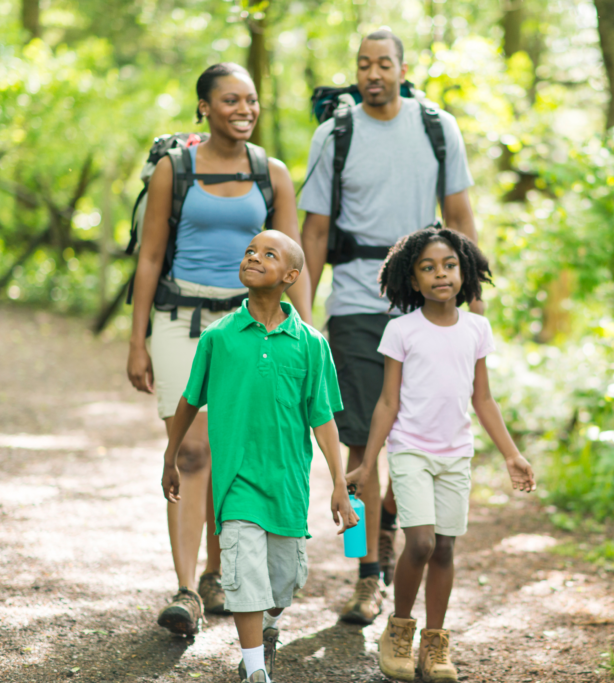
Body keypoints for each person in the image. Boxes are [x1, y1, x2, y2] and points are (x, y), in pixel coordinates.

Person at [300, 28, 482, 625]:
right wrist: (302, 315)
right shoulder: (335, 135)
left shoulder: (438, 127)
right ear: (355, 73)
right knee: (360, 441)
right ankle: (363, 572)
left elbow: (458, 218)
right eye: (363, 65)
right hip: (354, 303)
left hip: (422, 305)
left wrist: (470, 298)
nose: (373, 73)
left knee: (416, 433)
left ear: (402, 70)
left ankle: (384, 531)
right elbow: (317, 232)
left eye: (384, 64)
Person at [126, 62, 313, 636]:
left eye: (251, 100)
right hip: (180, 321)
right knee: (193, 450)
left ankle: (216, 575)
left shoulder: (272, 173)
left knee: (236, 451)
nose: (245, 110)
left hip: (247, 329)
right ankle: (186, 589)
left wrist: (303, 335)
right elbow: (151, 256)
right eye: (231, 100)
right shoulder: (173, 169)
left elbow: (294, 261)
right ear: (204, 107)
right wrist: (137, 342)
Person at [162, 230, 356, 683]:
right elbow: (190, 400)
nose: (254, 257)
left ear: (290, 275)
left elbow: (323, 418)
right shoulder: (219, 337)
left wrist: (339, 483)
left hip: (287, 484)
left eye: (268, 254)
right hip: (237, 484)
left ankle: (269, 630)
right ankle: (255, 672)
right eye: (250, 251)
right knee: (244, 578)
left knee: (280, 586)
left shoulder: (311, 344)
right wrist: (170, 455)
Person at [345, 227, 536, 683]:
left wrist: (511, 454)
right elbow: (387, 402)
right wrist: (368, 464)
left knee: (446, 548)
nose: (440, 274)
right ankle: (399, 633)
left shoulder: (476, 328)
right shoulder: (401, 330)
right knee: (423, 543)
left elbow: (483, 399)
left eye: (449, 265)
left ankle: (434, 643)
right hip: (410, 451)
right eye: (427, 268)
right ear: (412, 281)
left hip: (456, 454)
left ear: (464, 270)